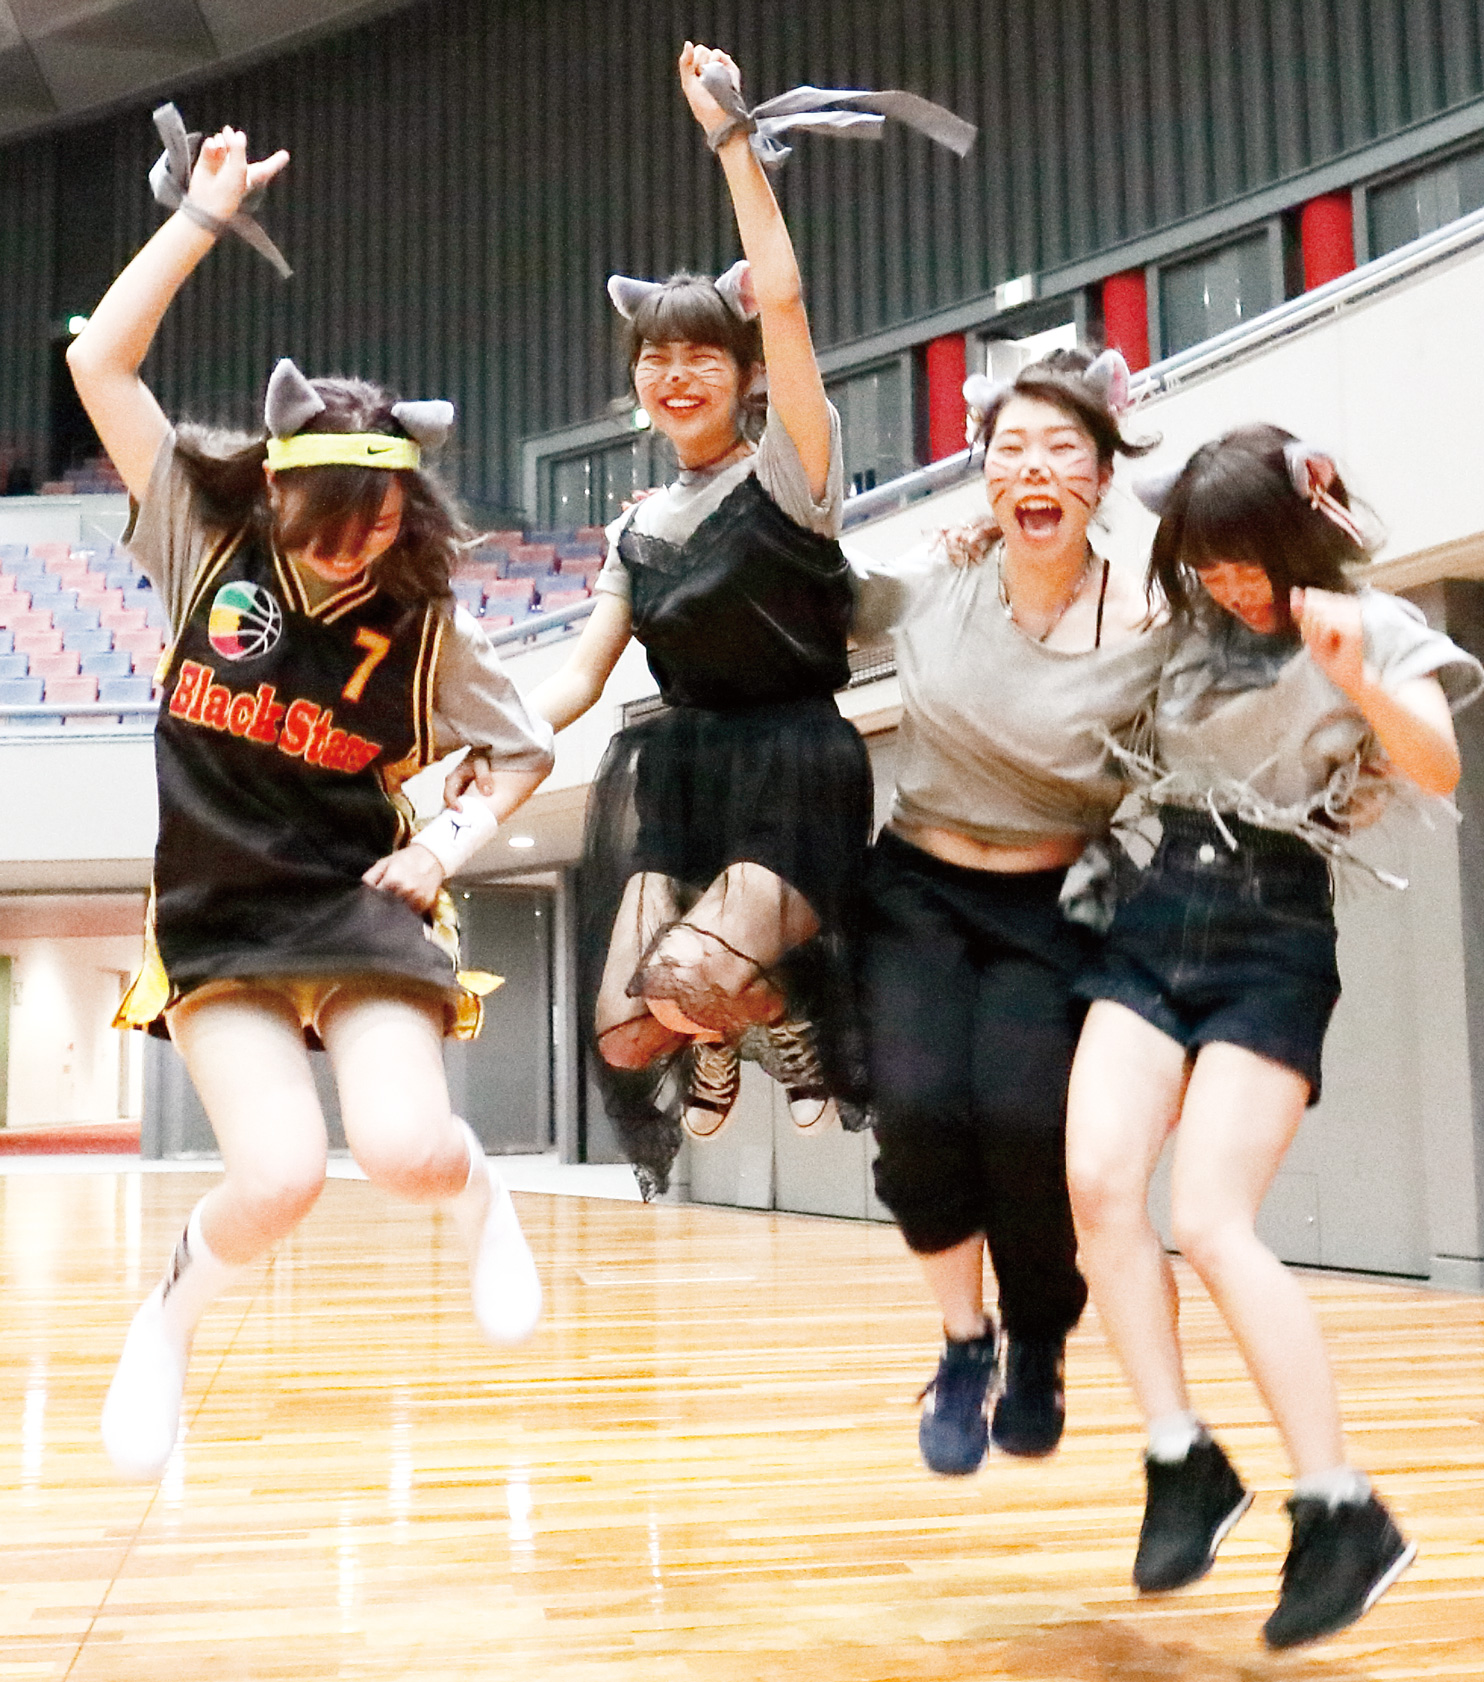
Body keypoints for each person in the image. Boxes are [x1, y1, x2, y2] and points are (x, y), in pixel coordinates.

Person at [67, 120, 556, 1480]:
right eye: (324, 525)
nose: (350, 551)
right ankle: (164, 1326)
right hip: (218, 912)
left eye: (377, 527)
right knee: (277, 1175)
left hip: (353, 900)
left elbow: (524, 753)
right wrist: (200, 220)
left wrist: (446, 843)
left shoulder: (429, 629)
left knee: (403, 1149)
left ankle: (482, 1197)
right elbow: (99, 362)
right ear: (274, 491)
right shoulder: (200, 536)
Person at [454, 45, 971, 1196]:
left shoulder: (790, 470)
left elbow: (781, 296)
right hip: (681, 774)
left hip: (794, 764)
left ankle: (790, 1011)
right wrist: (488, 737)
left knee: (692, 980)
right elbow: (579, 678)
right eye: (656, 356)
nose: (676, 373)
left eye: (701, 355)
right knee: (628, 1030)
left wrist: (732, 140)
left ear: (745, 375)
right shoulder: (636, 529)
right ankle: (745, 1026)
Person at [1065, 425, 1484, 1647]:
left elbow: (1438, 763)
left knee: (1209, 1219)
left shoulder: (1370, 622)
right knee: (1095, 1182)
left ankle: (1343, 1508)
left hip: (1274, 926)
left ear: (1298, 536)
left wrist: (1359, 679)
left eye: (1248, 558)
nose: (1231, 582)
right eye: (1208, 561)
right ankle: (1182, 1459)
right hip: (1158, 908)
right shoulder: (1186, 631)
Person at [850, 348, 1168, 1475]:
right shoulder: (937, 578)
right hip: (918, 890)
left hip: (1052, 902)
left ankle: (1039, 1337)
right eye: (1009, 448)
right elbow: (816, 607)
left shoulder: (1148, 615)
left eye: (1062, 448)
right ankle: (962, 1342)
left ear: (1102, 475)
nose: (1033, 468)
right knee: (919, 1112)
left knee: (1029, 1128)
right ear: (982, 471)